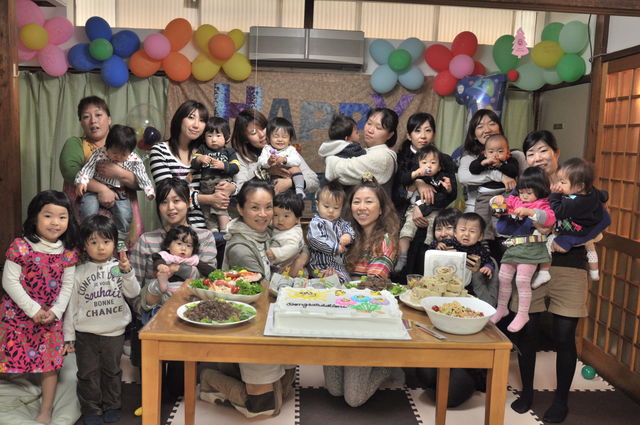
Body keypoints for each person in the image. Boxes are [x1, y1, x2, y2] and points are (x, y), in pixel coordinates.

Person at [509, 130, 610, 423]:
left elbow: (600, 223)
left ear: (556, 152)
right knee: (528, 331)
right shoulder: (526, 185)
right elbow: (510, 220)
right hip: (531, 264)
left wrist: (570, 240)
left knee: (565, 334)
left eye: (543, 150)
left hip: (570, 265)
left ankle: (561, 400)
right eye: (531, 153)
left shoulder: (577, 183)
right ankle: (527, 392)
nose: (537, 158)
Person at [200, 179, 295, 418]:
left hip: (271, 320)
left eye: (268, 207)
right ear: (240, 209)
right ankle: (209, 379)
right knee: (266, 409)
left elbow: (300, 247)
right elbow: (262, 292)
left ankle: (243, 377)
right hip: (249, 325)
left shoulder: (267, 233)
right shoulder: (241, 248)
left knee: (287, 388)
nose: (263, 214)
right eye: (255, 208)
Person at [129, 178, 217, 400]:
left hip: (190, 320)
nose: (171, 207)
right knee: (153, 391)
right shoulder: (147, 241)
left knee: (178, 391)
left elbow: (209, 281)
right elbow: (134, 288)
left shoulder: (204, 237)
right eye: (164, 202)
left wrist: (179, 269)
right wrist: (146, 312)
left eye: (177, 200)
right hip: (152, 318)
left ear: (188, 202)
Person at [0, 190, 79, 425]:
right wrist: (33, 310)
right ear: (35, 217)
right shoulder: (20, 246)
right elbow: (9, 281)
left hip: (50, 319)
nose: (55, 222)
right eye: (48, 216)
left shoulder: (68, 252)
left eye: (62, 217)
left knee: (49, 364)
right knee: (6, 354)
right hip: (17, 316)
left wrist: (55, 312)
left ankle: (46, 410)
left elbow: (68, 286)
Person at [323, 176, 401, 407]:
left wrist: (340, 282)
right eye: (357, 202)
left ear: (381, 208)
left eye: (369, 201)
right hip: (340, 313)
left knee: (353, 398)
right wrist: (328, 275)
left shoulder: (385, 239)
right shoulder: (346, 235)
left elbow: (372, 284)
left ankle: (390, 367)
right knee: (334, 389)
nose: (361, 207)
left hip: (367, 317)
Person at [63, 215, 140, 425]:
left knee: (112, 371)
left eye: (106, 241)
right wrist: (69, 337)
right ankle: (91, 409)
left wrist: (127, 271)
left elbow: (133, 293)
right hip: (85, 334)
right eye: (94, 242)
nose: (101, 247)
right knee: (87, 373)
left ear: (114, 243)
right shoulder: (78, 272)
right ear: (84, 245)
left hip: (114, 332)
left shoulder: (119, 267)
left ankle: (112, 405)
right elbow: (71, 306)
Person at [59, 96, 143, 247]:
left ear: (109, 119)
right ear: (81, 122)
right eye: (86, 117)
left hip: (122, 215)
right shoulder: (75, 144)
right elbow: (71, 172)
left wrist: (118, 173)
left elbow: (140, 181)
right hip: (83, 216)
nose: (93, 121)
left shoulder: (124, 144)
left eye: (98, 115)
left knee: (122, 257)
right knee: (86, 253)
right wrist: (103, 189)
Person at [489, 167, 556, 333]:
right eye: (521, 192)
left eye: (529, 193)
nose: (524, 196)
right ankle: (502, 308)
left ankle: (523, 314)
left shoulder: (543, 203)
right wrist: (497, 200)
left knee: (521, 281)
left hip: (532, 248)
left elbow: (549, 218)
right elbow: (503, 203)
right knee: (503, 277)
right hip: (514, 246)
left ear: (540, 190)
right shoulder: (517, 199)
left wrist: (530, 211)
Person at [149, 100, 233, 229]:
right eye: (191, 117)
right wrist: (209, 199)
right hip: (182, 229)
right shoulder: (160, 151)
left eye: (202, 120)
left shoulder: (207, 150)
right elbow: (168, 193)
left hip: (217, 224)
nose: (196, 125)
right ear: (179, 119)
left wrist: (232, 187)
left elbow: (227, 177)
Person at [75, 124, 155, 249]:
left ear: (130, 151)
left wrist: (149, 191)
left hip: (119, 191)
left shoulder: (134, 160)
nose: (118, 157)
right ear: (107, 146)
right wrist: (82, 182)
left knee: (125, 213)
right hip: (95, 190)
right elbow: (87, 169)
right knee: (88, 208)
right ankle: (86, 237)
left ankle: (120, 239)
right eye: (114, 152)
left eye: (123, 154)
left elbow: (142, 176)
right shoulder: (99, 153)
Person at [457, 109, 526, 244]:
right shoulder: (471, 157)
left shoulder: (514, 156)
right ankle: (484, 240)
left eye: (492, 124)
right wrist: (500, 176)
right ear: (474, 135)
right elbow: (464, 177)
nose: (487, 129)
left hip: (508, 208)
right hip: (478, 210)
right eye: (480, 126)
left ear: (499, 129)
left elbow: (526, 182)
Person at [395, 145, 456, 272]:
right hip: (413, 209)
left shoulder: (441, 177)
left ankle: (428, 257)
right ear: (418, 164)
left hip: (433, 211)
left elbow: (446, 196)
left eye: (433, 163)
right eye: (424, 162)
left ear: (439, 167)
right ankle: (402, 257)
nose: (428, 165)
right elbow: (404, 180)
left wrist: (448, 188)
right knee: (406, 231)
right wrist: (416, 174)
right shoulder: (418, 174)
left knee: (430, 236)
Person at [231, 109, 318, 195]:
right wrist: (267, 172)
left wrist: (291, 183)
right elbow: (240, 190)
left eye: (263, 128)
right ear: (245, 138)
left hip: (288, 202)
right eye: (253, 132)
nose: (262, 135)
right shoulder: (240, 157)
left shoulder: (286, 150)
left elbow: (314, 182)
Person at [549, 157, 608, 281]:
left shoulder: (575, 202)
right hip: (594, 223)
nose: (558, 185)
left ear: (579, 187)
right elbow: (603, 195)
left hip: (579, 230)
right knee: (590, 247)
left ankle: (544, 270)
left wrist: (554, 195)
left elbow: (558, 211)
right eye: (558, 181)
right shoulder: (591, 191)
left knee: (553, 241)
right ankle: (594, 272)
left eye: (562, 182)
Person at [324, 108, 398, 196]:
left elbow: (340, 170)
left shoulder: (384, 157)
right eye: (369, 123)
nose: (370, 130)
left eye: (378, 128)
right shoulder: (364, 151)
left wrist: (328, 158)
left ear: (390, 135)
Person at [190, 117, 239, 232]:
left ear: (227, 138)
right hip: (206, 184)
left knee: (221, 207)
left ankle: (224, 229)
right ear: (204, 137)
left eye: (218, 136)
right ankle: (212, 229)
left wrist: (224, 166)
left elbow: (236, 167)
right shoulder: (202, 149)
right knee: (206, 210)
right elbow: (193, 164)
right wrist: (200, 159)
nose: (213, 139)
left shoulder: (229, 152)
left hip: (221, 184)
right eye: (209, 136)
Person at [468, 134, 519, 241]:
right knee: (482, 215)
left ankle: (507, 236)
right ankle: (484, 239)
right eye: (491, 152)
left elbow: (514, 172)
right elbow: (472, 169)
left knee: (509, 210)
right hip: (485, 193)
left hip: (505, 191)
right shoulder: (483, 159)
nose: (495, 155)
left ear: (507, 152)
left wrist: (500, 165)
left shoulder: (511, 161)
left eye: (500, 151)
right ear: (485, 153)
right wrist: (483, 163)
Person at [307, 181, 355, 283]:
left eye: (336, 208)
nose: (331, 211)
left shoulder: (341, 222)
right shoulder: (317, 223)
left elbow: (349, 228)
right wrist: (335, 248)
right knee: (326, 281)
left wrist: (348, 235)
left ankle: (340, 291)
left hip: (339, 266)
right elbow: (315, 239)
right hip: (319, 266)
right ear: (317, 205)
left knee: (346, 281)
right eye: (326, 206)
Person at [151, 225, 214, 294]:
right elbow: (157, 259)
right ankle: (163, 279)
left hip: (186, 288)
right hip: (168, 287)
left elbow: (205, 268)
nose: (184, 248)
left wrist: (214, 274)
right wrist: (161, 266)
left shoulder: (192, 259)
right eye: (179, 244)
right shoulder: (166, 256)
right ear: (168, 245)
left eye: (188, 246)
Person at [256, 117, 306, 197]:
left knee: (295, 169)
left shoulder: (291, 149)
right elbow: (260, 162)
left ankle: (299, 190)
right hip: (272, 177)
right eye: (276, 136)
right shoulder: (266, 149)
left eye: (284, 137)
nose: (280, 139)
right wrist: (269, 162)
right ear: (268, 138)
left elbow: (297, 161)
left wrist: (285, 160)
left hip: (288, 174)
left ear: (290, 139)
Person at [265, 190, 305, 274]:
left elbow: (292, 248)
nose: (280, 220)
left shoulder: (293, 233)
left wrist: (276, 253)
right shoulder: (283, 226)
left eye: (286, 216)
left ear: (297, 219)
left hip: (287, 271)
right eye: (276, 215)